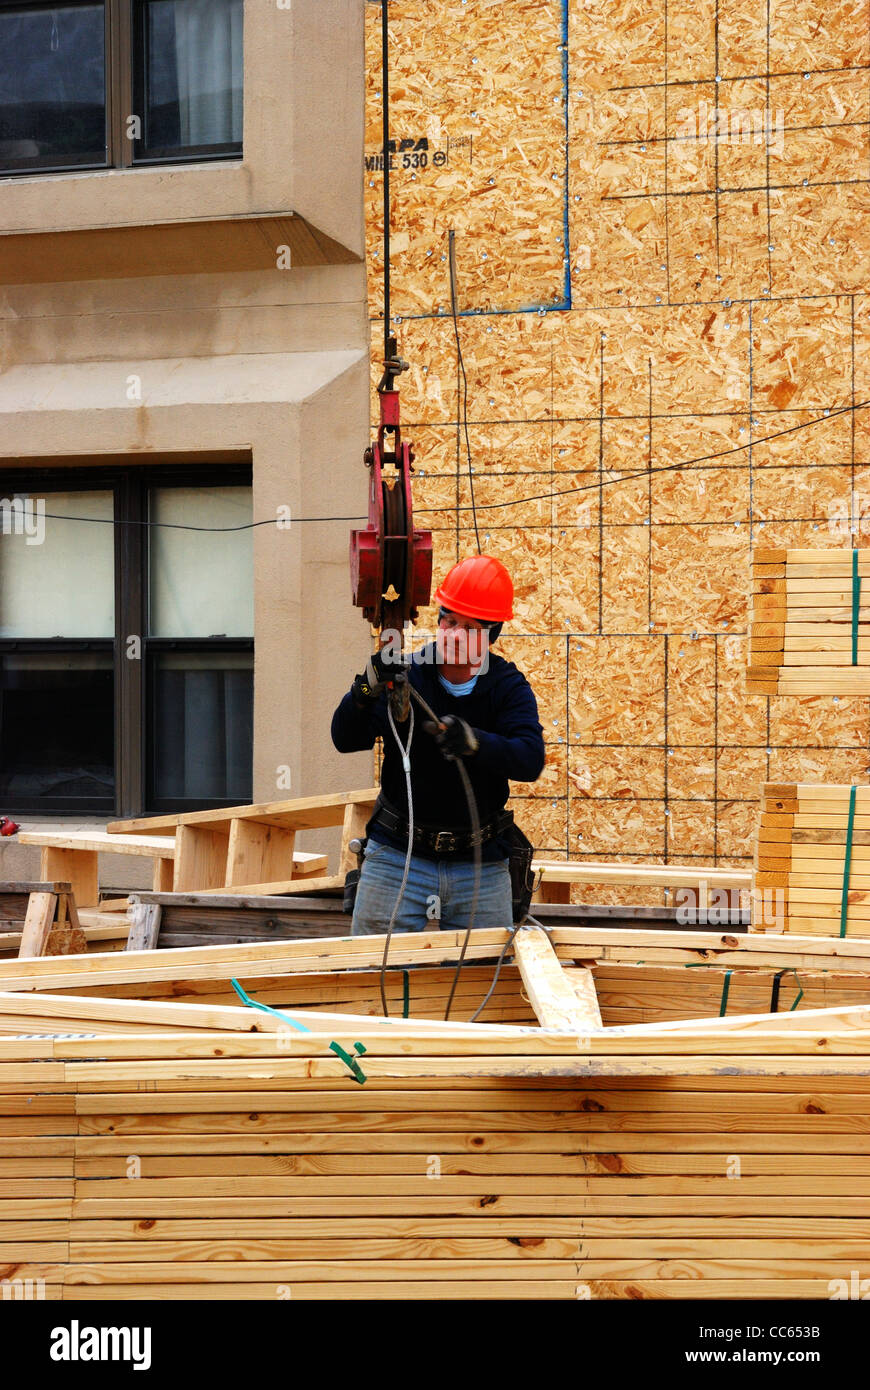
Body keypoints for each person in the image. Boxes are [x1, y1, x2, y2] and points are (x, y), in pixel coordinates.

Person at [330, 554, 545, 934]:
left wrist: (474, 742)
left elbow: (530, 760)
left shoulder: (506, 687)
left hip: (479, 861)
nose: (455, 635)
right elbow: (344, 739)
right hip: (398, 856)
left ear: (491, 635)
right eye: (450, 621)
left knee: (482, 979)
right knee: (370, 972)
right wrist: (365, 686)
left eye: (471, 627)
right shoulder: (407, 677)